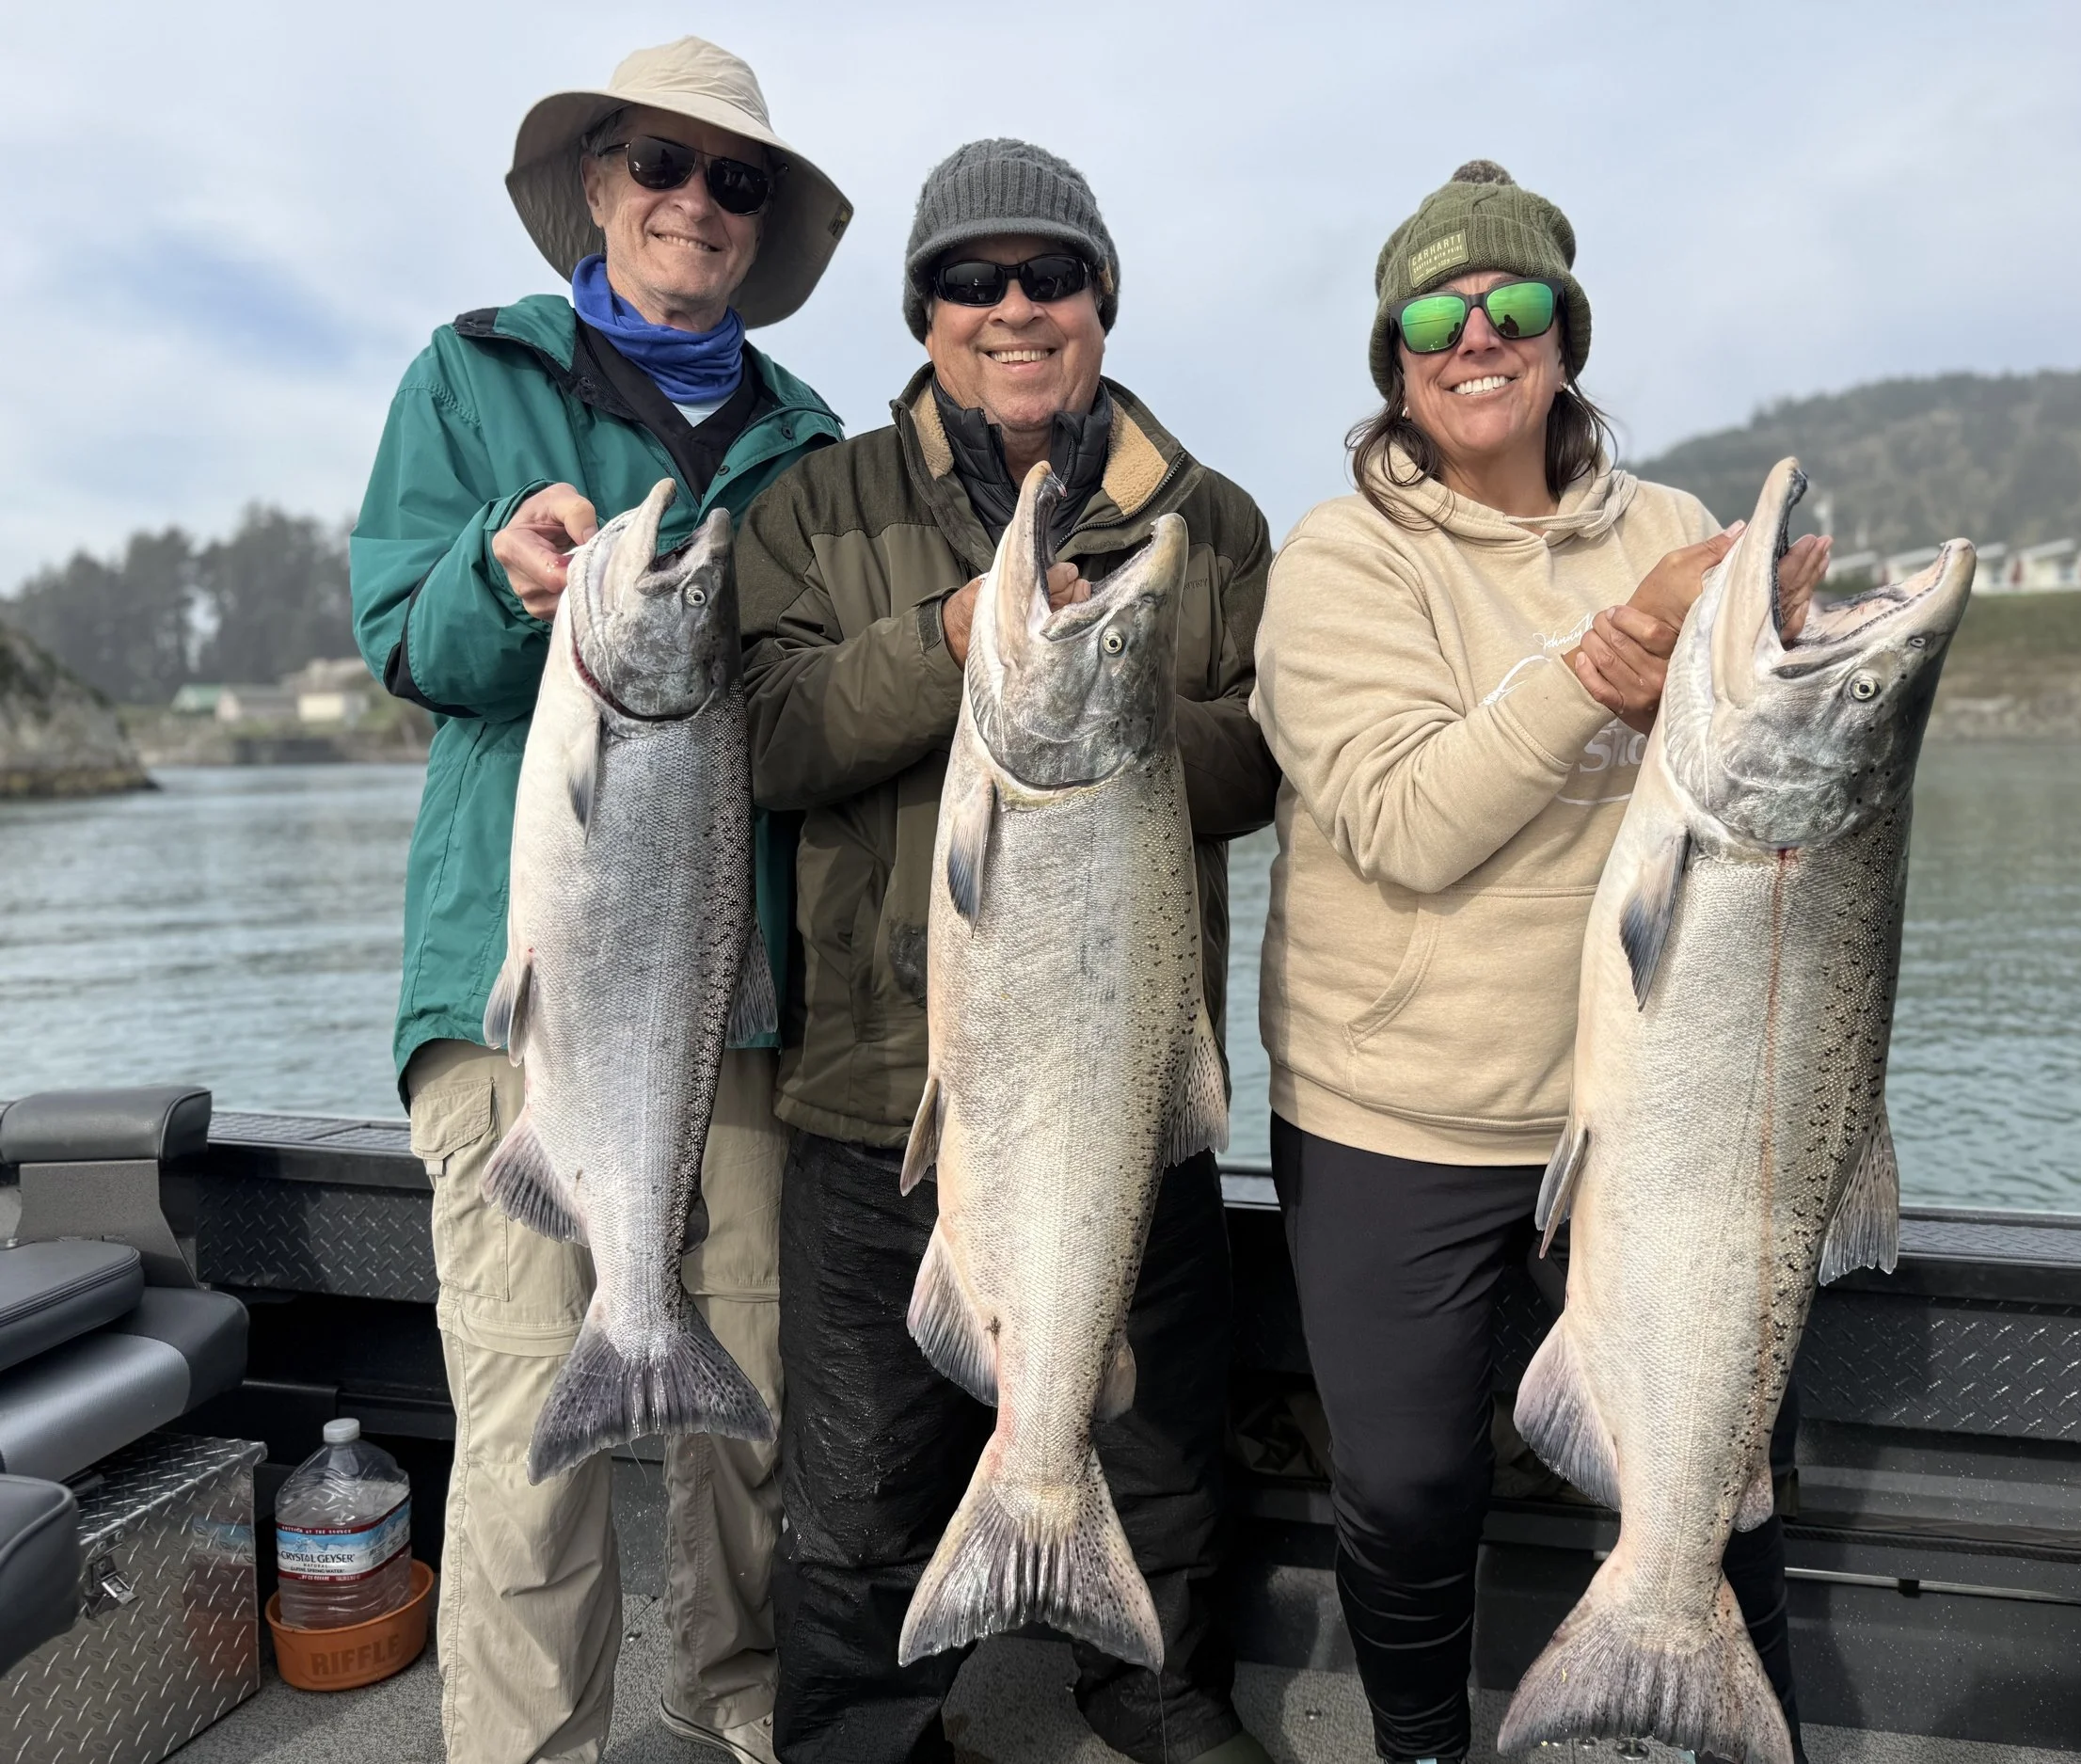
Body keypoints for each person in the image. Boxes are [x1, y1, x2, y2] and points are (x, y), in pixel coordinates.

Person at [1249, 162, 1834, 1764]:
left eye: (1516, 307)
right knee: (1410, 1484)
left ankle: (1737, 1728)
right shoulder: (1342, 556)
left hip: (1665, 1123)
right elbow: (1405, 818)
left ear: (1565, 338)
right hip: (1402, 1108)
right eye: (1436, 315)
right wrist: (1604, 661)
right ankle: (1424, 1744)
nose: (1477, 337)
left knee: (1715, 1471)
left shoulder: (1666, 530)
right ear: (1395, 358)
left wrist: (1776, 659)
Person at [733, 139, 1279, 1764]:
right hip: (874, 1090)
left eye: (1053, 276)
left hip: (1122, 1082)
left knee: (1168, 1448)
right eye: (974, 281)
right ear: (924, 314)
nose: (1015, 308)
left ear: (1102, 303)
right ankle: (858, 1737)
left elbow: (1262, 754)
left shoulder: (1214, 519)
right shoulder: (815, 506)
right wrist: (956, 641)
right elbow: (767, 735)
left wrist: (1099, 703)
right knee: (862, 1479)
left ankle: (1160, 1693)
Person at [349, 38, 851, 1764]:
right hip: (516, 1005)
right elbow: (399, 633)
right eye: (659, 165)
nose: (693, 204)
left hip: (741, 998)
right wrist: (500, 572)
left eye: (735, 182)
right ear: (593, 183)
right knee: (523, 1425)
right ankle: (525, 1748)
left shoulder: (810, 444)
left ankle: (745, 1699)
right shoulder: (468, 374)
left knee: (758, 1411)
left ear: (759, 224)